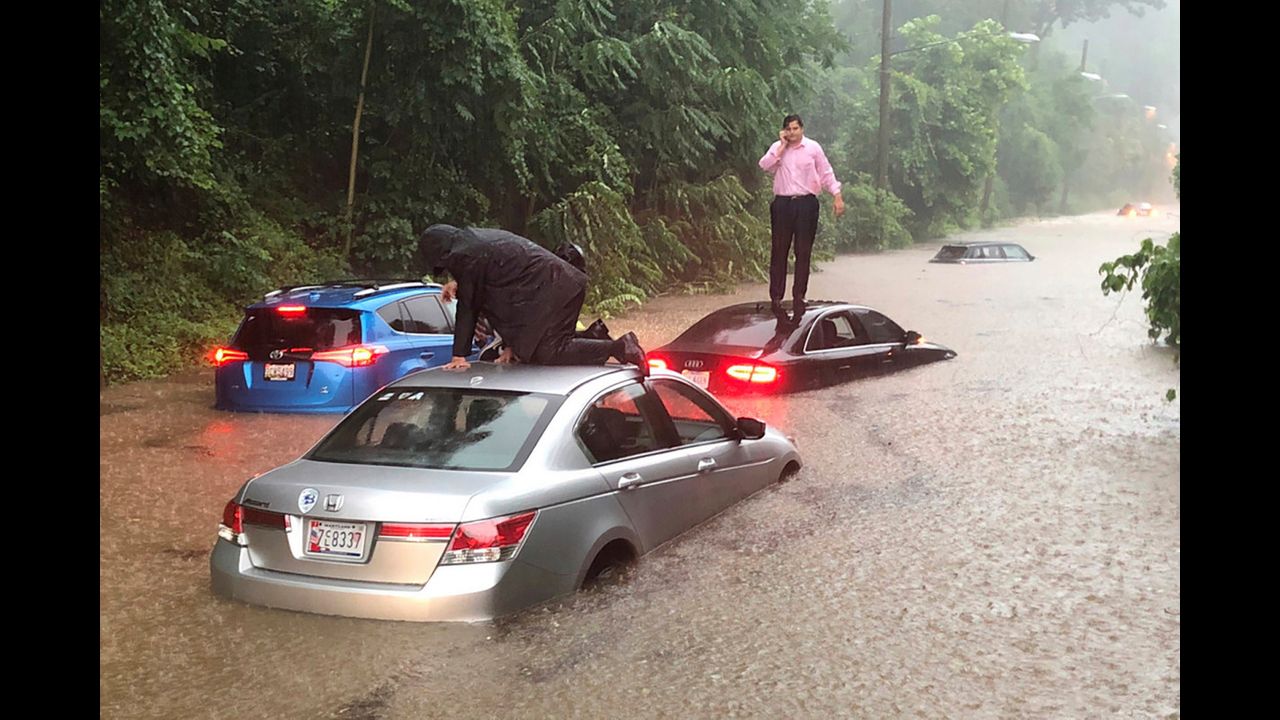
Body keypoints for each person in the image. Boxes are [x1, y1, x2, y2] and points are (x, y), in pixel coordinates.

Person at [417, 224, 647, 373]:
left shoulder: (466, 255)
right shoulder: (474, 245)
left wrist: (459, 356)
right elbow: (501, 300)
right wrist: (511, 345)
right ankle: (593, 336)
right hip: (557, 285)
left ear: (443, 253)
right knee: (536, 350)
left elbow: (470, 305)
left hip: (553, 287)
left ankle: (618, 347)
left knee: (549, 351)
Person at [758, 114, 845, 312]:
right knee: (779, 250)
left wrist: (837, 195)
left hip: (806, 203)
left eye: (795, 128)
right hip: (783, 204)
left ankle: (799, 295)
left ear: (802, 129)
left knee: (803, 251)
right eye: (788, 129)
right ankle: (776, 296)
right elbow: (764, 165)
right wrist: (781, 147)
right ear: (784, 131)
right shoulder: (777, 148)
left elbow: (826, 172)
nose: (792, 133)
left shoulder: (813, 148)